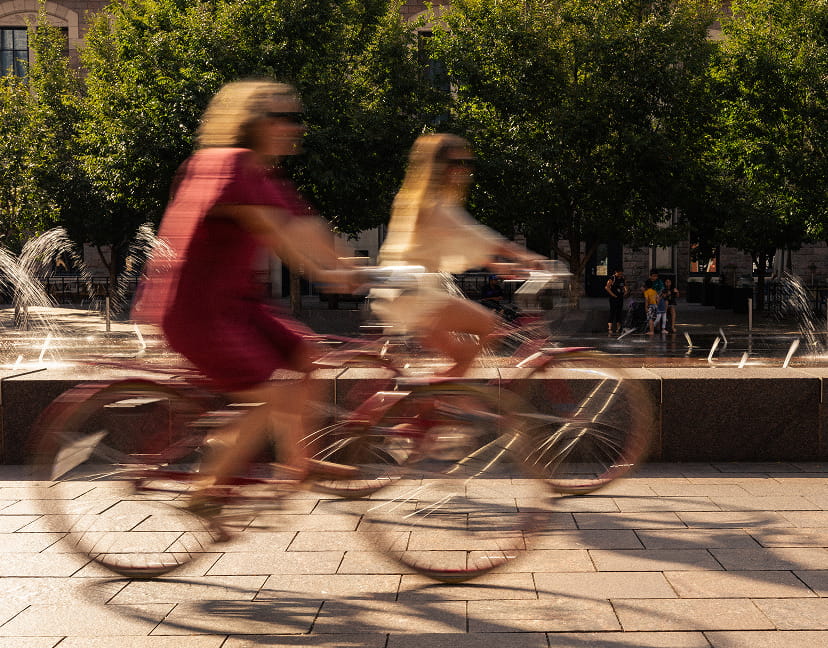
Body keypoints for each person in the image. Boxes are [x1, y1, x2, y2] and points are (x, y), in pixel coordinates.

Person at [132, 80, 359, 513]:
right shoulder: (231, 165)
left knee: (307, 356)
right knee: (272, 393)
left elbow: (309, 227)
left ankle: (299, 461)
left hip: (238, 307)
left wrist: (357, 266)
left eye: (296, 118)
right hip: (200, 312)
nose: (293, 127)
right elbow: (281, 234)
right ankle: (207, 489)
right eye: (282, 118)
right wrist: (333, 275)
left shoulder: (259, 172)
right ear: (253, 122)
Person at [373, 133, 543, 375]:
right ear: (441, 167)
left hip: (402, 292)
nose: (463, 170)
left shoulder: (417, 199)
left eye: (467, 164)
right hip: (417, 295)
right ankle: (440, 400)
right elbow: (473, 235)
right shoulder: (434, 205)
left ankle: (431, 404)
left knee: (462, 358)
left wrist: (496, 265)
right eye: (457, 163)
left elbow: (452, 239)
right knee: (491, 326)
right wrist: (526, 257)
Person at [604, 268, 628, 335]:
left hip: (620, 297)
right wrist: (613, 295)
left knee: (619, 312)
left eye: (621, 273)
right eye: (619, 273)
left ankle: (618, 328)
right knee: (612, 312)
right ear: (616, 272)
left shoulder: (622, 278)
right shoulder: (612, 278)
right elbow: (606, 287)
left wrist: (626, 291)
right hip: (613, 298)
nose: (620, 275)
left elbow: (625, 286)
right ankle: (610, 329)